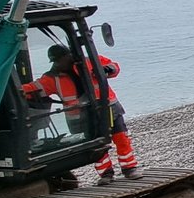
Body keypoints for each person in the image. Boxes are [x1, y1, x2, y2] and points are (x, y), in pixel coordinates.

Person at [22, 43, 142, 185]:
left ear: (68, 56)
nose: (58, 63)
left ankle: (129, 168)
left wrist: (108, 69)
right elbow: (33, 88)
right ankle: (106, 173)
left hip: (108, 108)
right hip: (83, 117)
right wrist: (13, 90)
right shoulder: (52, 78)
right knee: (95, 146)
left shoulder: (90, 61)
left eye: (59, 60)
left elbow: (114, 67)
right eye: (56, 61)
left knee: (121, 137)